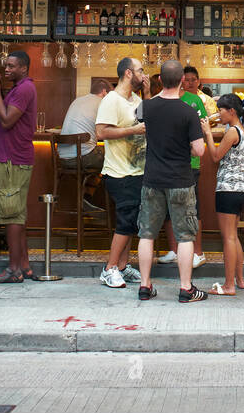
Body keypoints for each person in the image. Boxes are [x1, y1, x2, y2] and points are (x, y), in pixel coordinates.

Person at [135, 60, 208, 303]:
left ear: (160, 81)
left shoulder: (147, 107)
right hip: (180, 180)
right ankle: (186, 289)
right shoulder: (188, 111)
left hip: (152, 179)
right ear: (180, 82)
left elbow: (140, 126)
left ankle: (145, 286)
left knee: (146, 233)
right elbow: (199, 151)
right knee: (185, 236)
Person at [95, 57, 148, 289]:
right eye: (140, 70)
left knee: (132, 222)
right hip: (118, 171)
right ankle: (109, 268)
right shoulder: (111, 100)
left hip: (137, 169)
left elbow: (147, 121)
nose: (144, 74)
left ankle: (123, 267)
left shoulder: (136, 99)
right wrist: (132, 130)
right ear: (128, 73)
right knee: (126, 220)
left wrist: (147, 93)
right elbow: (100, 133)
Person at [0, 51, 38, 284]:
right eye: (5, 65)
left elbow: (7, 120)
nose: (6, 69)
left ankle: (14, 270)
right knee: (16, 214)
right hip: (11, 158)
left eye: (11, 66)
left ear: (24, 68)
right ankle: (24, 266)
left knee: (11, 215)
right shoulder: (19, 88)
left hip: (12, 159)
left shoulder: (25, 88)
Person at [202, 93, 244, 295]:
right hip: (241, 190)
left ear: (231, 111)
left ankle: (228, 285)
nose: (218, 114)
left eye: (221, 110)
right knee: (234, 237)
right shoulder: (242, 131)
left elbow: (216, 157)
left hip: (227, 189)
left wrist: (207, 133)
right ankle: (240, 280)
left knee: (228, 239)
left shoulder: (232, 132)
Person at [155, 65, 210, 267]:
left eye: (192, 79)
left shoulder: (194, 101)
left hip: (190, 164)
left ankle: (198, 252)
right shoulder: (159, 101)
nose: (187, 82)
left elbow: (203, 130)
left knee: (191, 209)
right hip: (168, 163)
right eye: (185, 79)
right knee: (169, 209)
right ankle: (174, 250)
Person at [57, 77, 111, 215]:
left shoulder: (78, 100)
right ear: (104, 92)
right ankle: (91, 198)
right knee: (112, 156)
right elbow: (106, 131)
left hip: (62, 158)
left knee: (100, 158)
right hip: (82, 157)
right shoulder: (102, 103)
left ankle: (87, 198)